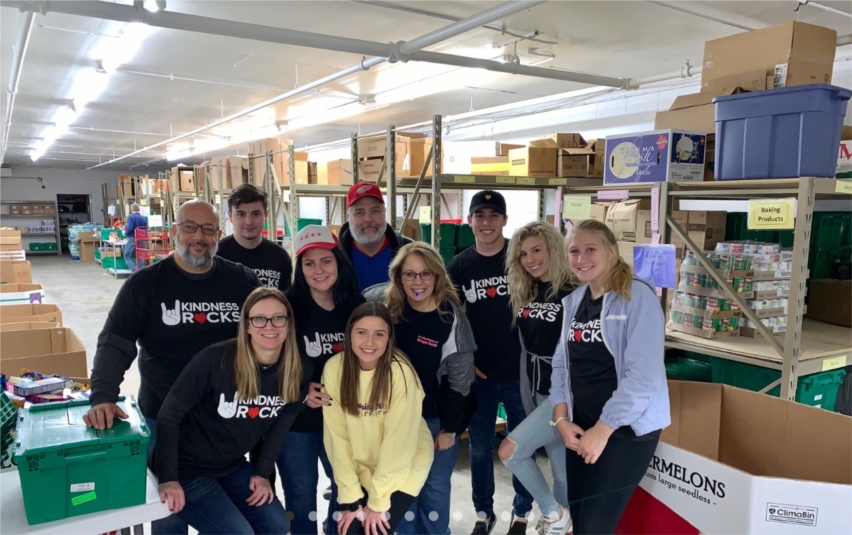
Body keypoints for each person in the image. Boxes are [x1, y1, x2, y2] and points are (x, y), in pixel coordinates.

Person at [84, 200, 260, 534]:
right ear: (174, 231)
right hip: (164, 419)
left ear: (218, 235)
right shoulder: (146, 284)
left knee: (236, 518)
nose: (199, 236)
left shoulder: (241, 281)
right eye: (190, 227)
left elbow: (270, 336)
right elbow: (115, 342)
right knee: (170, 520)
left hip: (223, 420)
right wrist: (103, 395)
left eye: (208, 229)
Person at [155, 287, 310, 535]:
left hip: (231, 466)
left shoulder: (298, 369)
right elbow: (168, 416)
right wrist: (168, 478)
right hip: (188, 469)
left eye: (278, 318)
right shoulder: (215, 360)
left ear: (289, 324)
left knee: (278, 525)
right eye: (259, 318)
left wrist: (261, 473)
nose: (269, 326)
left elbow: (280, 428)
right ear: (247, 325)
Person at [551, 219, 670, 535]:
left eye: (591, 249)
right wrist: (561, 420)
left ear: (613, 251)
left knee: (594, 527)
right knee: (579, 517)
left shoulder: (637, 297)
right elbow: (562, 366)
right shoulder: (573, 302)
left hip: (625, 430)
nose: (581, 258)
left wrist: (603, 430)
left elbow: (644, 376)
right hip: (582, 426)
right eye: (574, 251)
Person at [446, 190, 533, 535]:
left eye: (493, 215)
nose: (486, 222)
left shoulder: (521, 259)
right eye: (479, 215)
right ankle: (484, 513)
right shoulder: (459, 267)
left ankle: (522, 512)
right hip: (480, 377)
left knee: (521, 446)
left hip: (521, 375)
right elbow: (449, 321)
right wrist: (465, 363)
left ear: (504, 220)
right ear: (469, 221)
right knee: (480, 448)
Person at [278, 224, 365, 535]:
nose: (318, 270)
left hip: (343, 421)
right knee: (301, 500)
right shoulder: (284, 307)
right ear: (299, 268)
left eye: (325, 261)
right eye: (309, 263)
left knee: (348, 492)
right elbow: (263, 363)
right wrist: (300, 392)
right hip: (297, 423)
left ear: (338, 262)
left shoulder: (355, 307)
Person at [386, 242, 476, 535]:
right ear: (399, 277)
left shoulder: (451, 319)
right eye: (409, 274)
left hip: (434, 418)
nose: (417, 282)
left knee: (435, 486)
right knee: (400, 486)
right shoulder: (390, 311)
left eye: (426, 274)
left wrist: (449, 431)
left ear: (437, 277)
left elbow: (461, 383)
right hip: (395, 419)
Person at [322, 302, 434, 535]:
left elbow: (398, 444)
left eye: (379, 334)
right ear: (349, 334)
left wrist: (378, 501)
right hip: (362, 463)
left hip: (405, 465)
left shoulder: (401, 373)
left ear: (389, 339)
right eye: (361, 332)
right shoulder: (334, 369)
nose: (370, 342)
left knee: (375, 531)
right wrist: (350, 496)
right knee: (349, 529)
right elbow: (337, 439)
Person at [498, 222, 575, 535]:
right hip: (537, 389)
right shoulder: (529, 290)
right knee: (561, 472)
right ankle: (562, 523)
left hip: (564, 394)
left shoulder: (573, 290)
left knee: (511, 451)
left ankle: (552, 513)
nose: (530, 259)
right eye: (523, 254)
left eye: (536, 250)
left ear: (553, 248)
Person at [338, 182, 412, 292]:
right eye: (360, 212)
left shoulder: (410, 251)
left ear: (384, 213)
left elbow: (424, 296)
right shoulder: (335, 256)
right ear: (349, 217)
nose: (368, 219)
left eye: (375, 211)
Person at [217, 183, 293, 291]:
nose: (249, 222)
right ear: (230, 216)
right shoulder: (217, 254)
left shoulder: (280, 256)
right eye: (241, 214)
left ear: (265, 215)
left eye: (256, 214)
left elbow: (285, 301)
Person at [124, 203, 147, 273]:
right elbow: (145, 229)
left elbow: (130, 228)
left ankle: (135, 272)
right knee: (140, 256)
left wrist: (125, 233)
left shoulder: (131, 218)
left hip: (133, 238)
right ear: (139, 209)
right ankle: (141, 273)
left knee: (127, 256)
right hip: (142, 239)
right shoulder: (144, 218)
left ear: (131, 210)